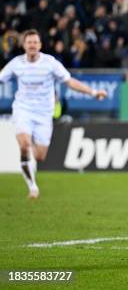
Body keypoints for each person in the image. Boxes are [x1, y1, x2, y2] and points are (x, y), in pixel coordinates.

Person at [0, 30, 107, 199]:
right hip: (23, 109)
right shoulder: (16, 63)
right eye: (29, 42)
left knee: (40, 156)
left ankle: (29, 157)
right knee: (24, 144)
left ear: (40, 45)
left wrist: (93, 92)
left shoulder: (50, 63)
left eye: (35, 42)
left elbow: (70, 81)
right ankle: (32, 187)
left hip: (44, 114)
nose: (32, 45)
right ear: (24, 45)